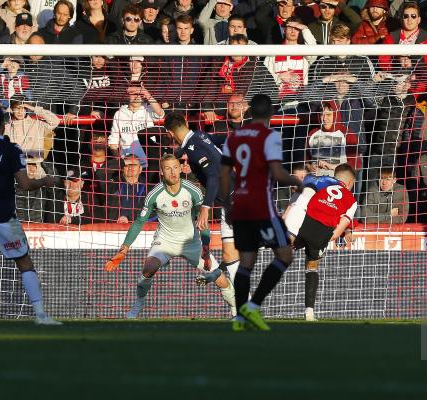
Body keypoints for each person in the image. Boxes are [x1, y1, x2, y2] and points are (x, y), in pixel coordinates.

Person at [104, 154, 236, 318]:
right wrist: (124, 249)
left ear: (181, 169)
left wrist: (206, 249)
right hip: (165, 241)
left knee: (221, 280)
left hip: (191, 242)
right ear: (161, 172)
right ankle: (137, 305)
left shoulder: (192, 190)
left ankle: (235, 311)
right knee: (148, 268)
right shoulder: (154, 194)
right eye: (167, 168)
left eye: (175, 167)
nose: (172, 172)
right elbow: (139, 222)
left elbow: (203, 222)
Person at [220, 93, 303, 331]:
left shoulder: (233, 138)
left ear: (249, 112)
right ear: (268, 114)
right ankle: (253, 306)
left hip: (241, 205)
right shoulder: (270, 136)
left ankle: (239, 318)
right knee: (285, 255)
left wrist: (227, 206)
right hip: (262, 207)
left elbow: (224, 174)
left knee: (246, 262)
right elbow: (276, 173)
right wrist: (296, 182)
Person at [0, 106, 61, 324]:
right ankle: (41, 315)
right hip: (3, 217)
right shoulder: (10, 149)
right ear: (3, 124)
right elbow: (25, 185)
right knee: (24, 262)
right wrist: (45, 181)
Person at [163, 111, 239, 293]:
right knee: (230, 254)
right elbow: (223, 141)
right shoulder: (199, 135)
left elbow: (213, 175)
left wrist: (205, 208)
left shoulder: (193, 148)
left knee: (238, 251)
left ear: (170, 133)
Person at [286, 164, 357, 321]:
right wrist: (322, 241)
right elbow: (338, 230)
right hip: (322, 229)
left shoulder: (319, 180)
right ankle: (309, 313)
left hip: (302, 217)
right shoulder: (352, 200)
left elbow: (298, 199)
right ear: (350, 183)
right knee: (312, 265)